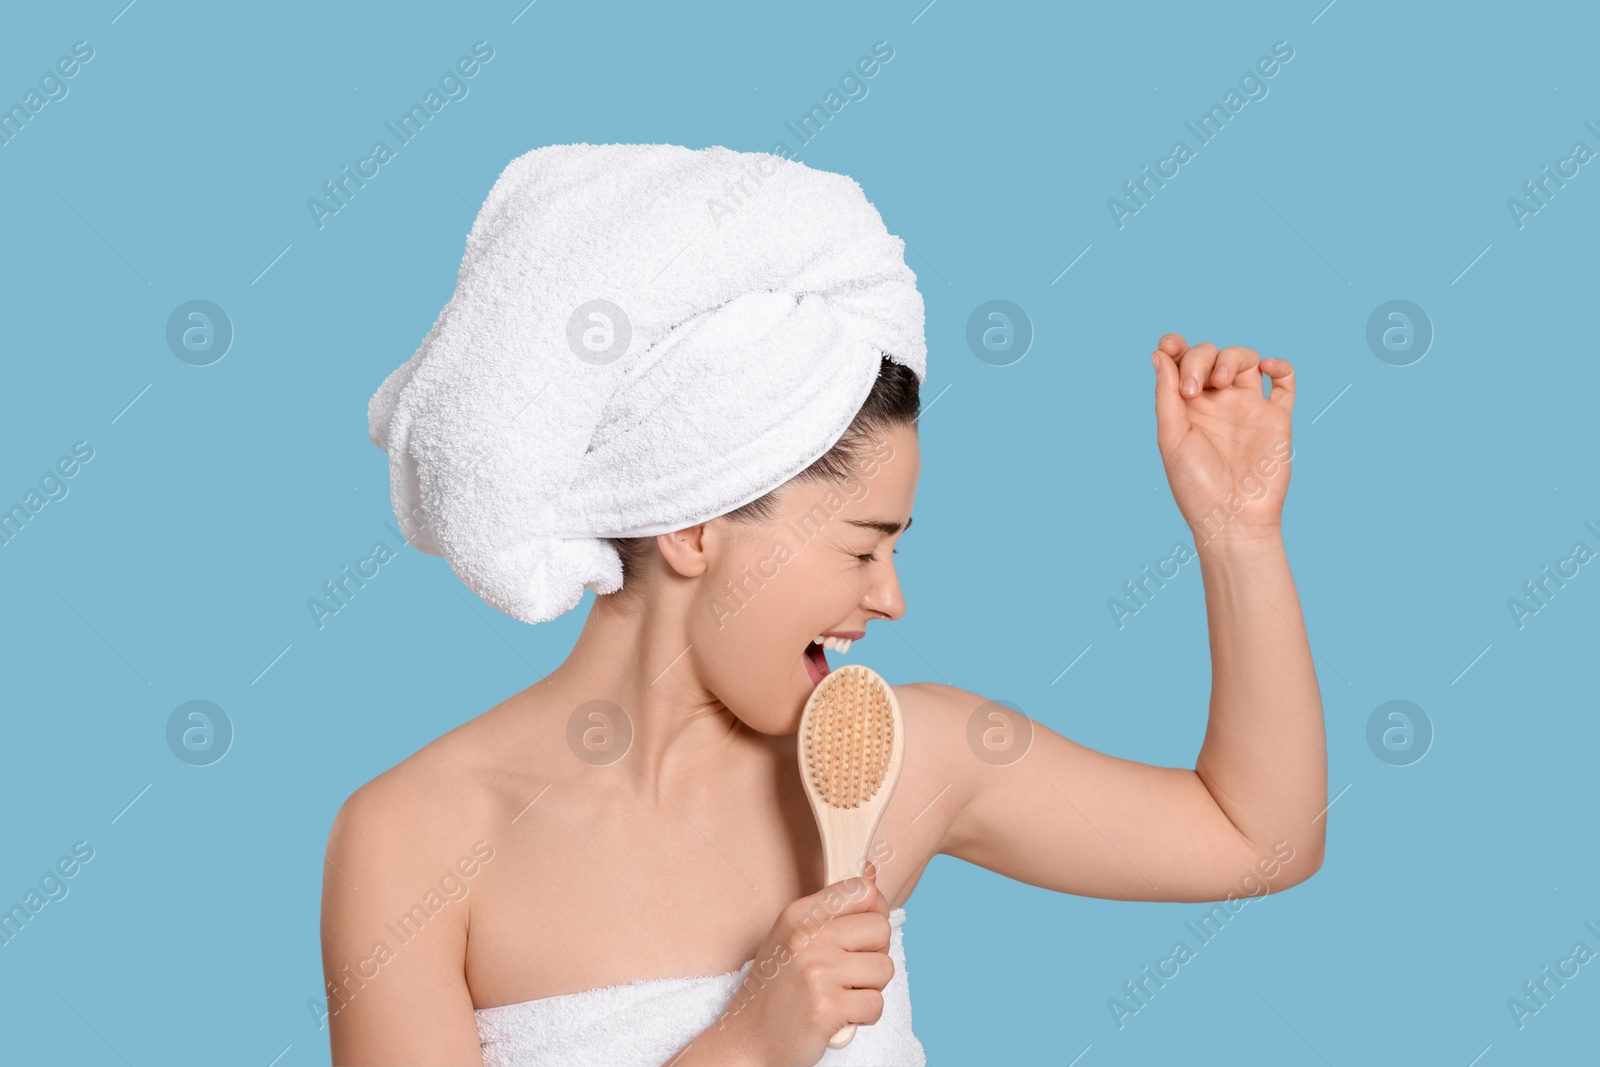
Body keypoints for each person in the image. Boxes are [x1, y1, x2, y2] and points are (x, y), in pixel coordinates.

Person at [321, 145, 1325, 1067]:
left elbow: (1257, 835)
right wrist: (746, 1044)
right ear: (694, 526)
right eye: (861, 545)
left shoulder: (897, 762)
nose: (890, 598)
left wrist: (1237, 533)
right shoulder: (416, 840)